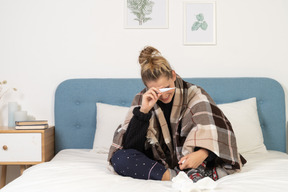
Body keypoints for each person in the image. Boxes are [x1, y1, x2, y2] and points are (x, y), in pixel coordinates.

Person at [108, 46, 246, 182]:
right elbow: (131, 147)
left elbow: (215, 132)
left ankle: (192, 171)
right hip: (158, 163)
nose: (164, 95)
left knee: (211, 154)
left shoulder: (194, 93)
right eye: (157, 91)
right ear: (147, 87)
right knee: (120, 159)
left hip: (193, 158)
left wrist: (202, 153)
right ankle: (179, 176)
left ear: (173, 75)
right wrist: (143, 111)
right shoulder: (142, 99)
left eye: (167, 87)